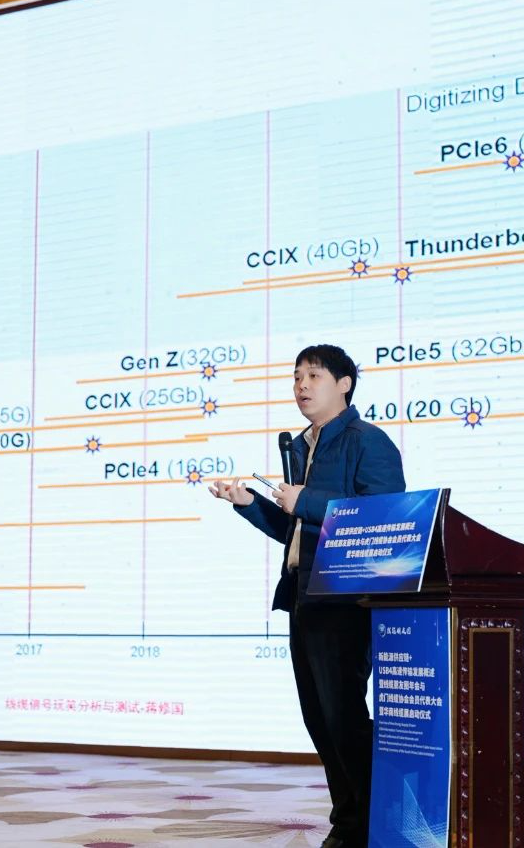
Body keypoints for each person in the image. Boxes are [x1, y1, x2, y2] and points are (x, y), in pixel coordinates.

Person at [210, 344, 405, 848]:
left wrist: (309, 501)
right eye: (296, 376)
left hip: (347, 598)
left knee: (343, 716)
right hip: (305, 594)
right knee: (318, 717)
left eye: (313, 375)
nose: (301, 385)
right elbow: (297, 530)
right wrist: (249, 504)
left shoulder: (368, 441)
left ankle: (367, 825)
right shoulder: (302, 447)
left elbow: (385, 518)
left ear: (344, 384)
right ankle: (350, 821)